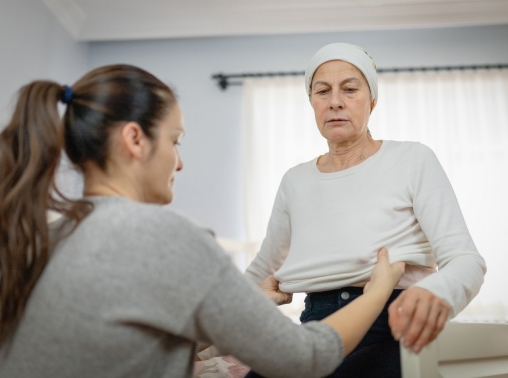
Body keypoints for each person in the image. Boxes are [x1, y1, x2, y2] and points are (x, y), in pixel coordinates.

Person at [0, 64, 405, 378]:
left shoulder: (42, 238)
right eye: (174, 141)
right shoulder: (166, 237)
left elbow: (122, 345)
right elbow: (305, 357)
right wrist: (377, 293)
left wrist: (242, 310)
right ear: (135, 140)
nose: (180, 161)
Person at [244, 43, 487, 378]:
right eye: (322, 91)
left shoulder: (413, 159)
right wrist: (218, 317)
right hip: (315, 328)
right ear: (312, 102)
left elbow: (466, 259)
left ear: (372, 100)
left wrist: (437, 292)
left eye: (350, 89)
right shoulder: (295, 181)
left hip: (390, 326)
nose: (335, 102)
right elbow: (262, 270)